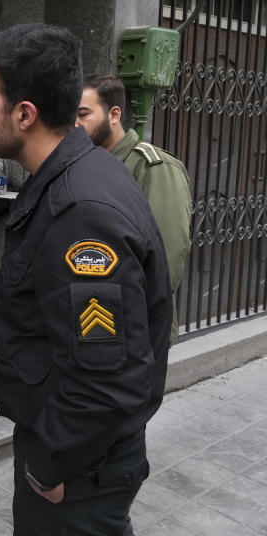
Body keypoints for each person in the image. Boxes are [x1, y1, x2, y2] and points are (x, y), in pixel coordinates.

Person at [0, 24, 171, 536]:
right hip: (76, 449)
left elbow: (107, 376)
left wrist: (50, 464)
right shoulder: (78, 172)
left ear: (24, 114)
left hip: (78, 465)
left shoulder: (81, 210)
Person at [77, 74, 191, 345]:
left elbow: (167, 256)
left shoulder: (152, 167)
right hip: (92, 321)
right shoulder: (86, 164)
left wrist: (137, 325)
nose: (74, 124)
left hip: (135, 329)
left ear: (114, 114)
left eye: (83, 114)